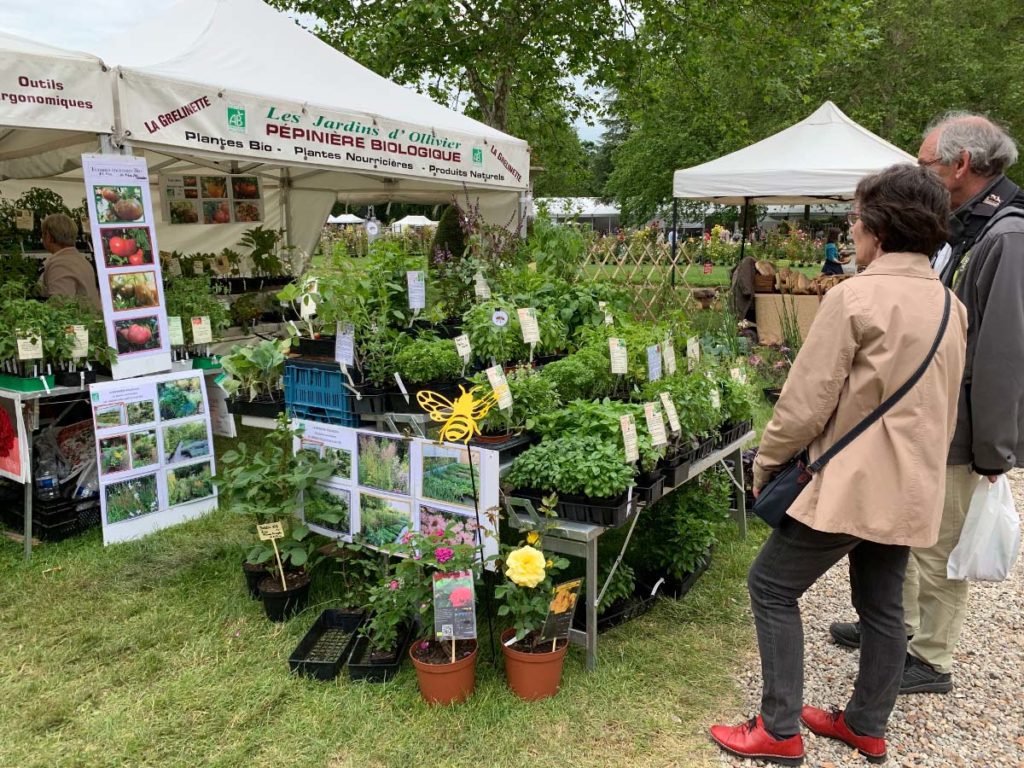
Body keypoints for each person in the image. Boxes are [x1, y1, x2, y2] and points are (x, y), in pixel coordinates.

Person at [709, 164, 967, 766]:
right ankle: (865, 724)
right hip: (911, 485)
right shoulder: (949, 304)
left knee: (770, 586)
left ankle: (778, 728)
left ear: (877, 226)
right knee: (881, 608)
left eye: (855, 218)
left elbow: (804, 402)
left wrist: (767, 461)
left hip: (852, 480)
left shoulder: (856, 296)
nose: (851, 231)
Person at [829, 113, 1024, 694]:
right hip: (931, 420)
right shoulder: (968, 226)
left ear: (961, 165)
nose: (920, 173)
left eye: (926, 164)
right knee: (904, 530)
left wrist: (992, 450)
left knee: (939, 546)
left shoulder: (1006, 237)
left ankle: (932, 657)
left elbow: (1003, 355)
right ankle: (895, 628)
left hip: (961, 430)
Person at [40, 213, 101, 311]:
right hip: (91, 321)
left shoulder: (60, 265)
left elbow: (60, 307)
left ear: (48, 236)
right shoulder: (81, 260)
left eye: (43, 233)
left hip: (78, 324)